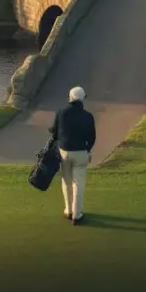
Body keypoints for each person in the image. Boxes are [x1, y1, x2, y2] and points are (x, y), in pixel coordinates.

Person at [49, 86, 96, 225]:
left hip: (64, 152)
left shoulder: (61, 113)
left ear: (70, 97)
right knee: (78, 183)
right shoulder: (88, 116)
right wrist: (88, 150)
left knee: (67, 180)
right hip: (81, 152)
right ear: (83, 99)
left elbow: (54, 132)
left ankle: (68, 210)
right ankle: (77, 214)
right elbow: (92, 138)